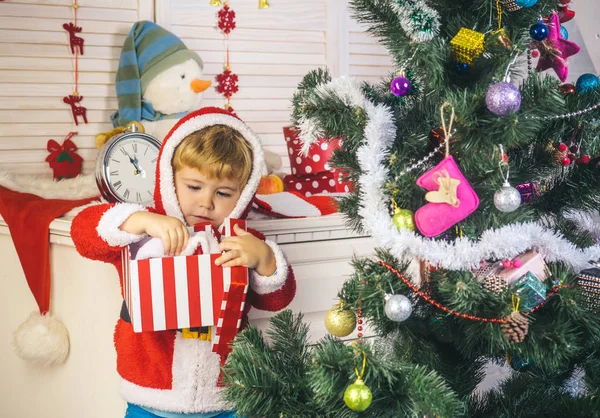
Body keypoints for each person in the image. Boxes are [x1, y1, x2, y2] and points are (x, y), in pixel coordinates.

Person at [71, 107, 296, 417]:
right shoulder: (142, 231)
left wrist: (265, 259)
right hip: (150, 397)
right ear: (168, 178)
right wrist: (138, 219)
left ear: (243, 194)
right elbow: (82, 233)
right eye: (194, 187)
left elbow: (277, 300)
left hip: (228, 396)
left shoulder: (242, 239)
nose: (206, 202)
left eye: (224, 192)